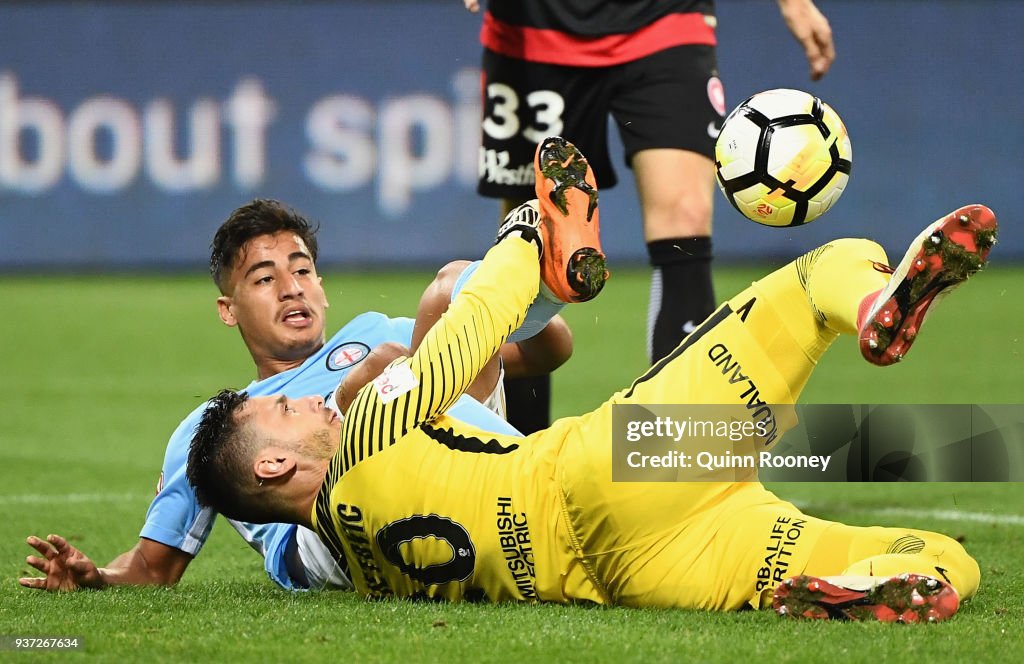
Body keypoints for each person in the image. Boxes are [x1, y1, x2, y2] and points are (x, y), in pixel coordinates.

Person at [186, 136, 993, 622]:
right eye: (288, 409)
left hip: (636, 574)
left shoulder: (349, 563)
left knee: (943, 561)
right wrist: (524, 231)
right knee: (828, 265)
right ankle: (872, 303)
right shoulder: (366, 429)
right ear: (273, 464)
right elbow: (469, 331)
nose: (309, 400)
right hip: (614, 470)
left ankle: (856, 594)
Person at [18, 198, 577, 593]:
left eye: (303, 270)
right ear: (228, 309)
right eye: (263, 279)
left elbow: (546, 353)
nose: (291, 287)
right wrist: (99, 578)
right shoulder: (221, 426)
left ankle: (554, 283)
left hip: (447, 453)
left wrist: (517, 310)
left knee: (444, 292)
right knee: (387, 359)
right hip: (331, 532)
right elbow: (154, 567)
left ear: (322, 288)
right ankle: (534, 264)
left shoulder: (371, 328)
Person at [463, 0, 835, 434]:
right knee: (533, 243)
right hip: (537, 29)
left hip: (664, 20)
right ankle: (516, 462)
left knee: (686, 218)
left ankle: (680, 462)